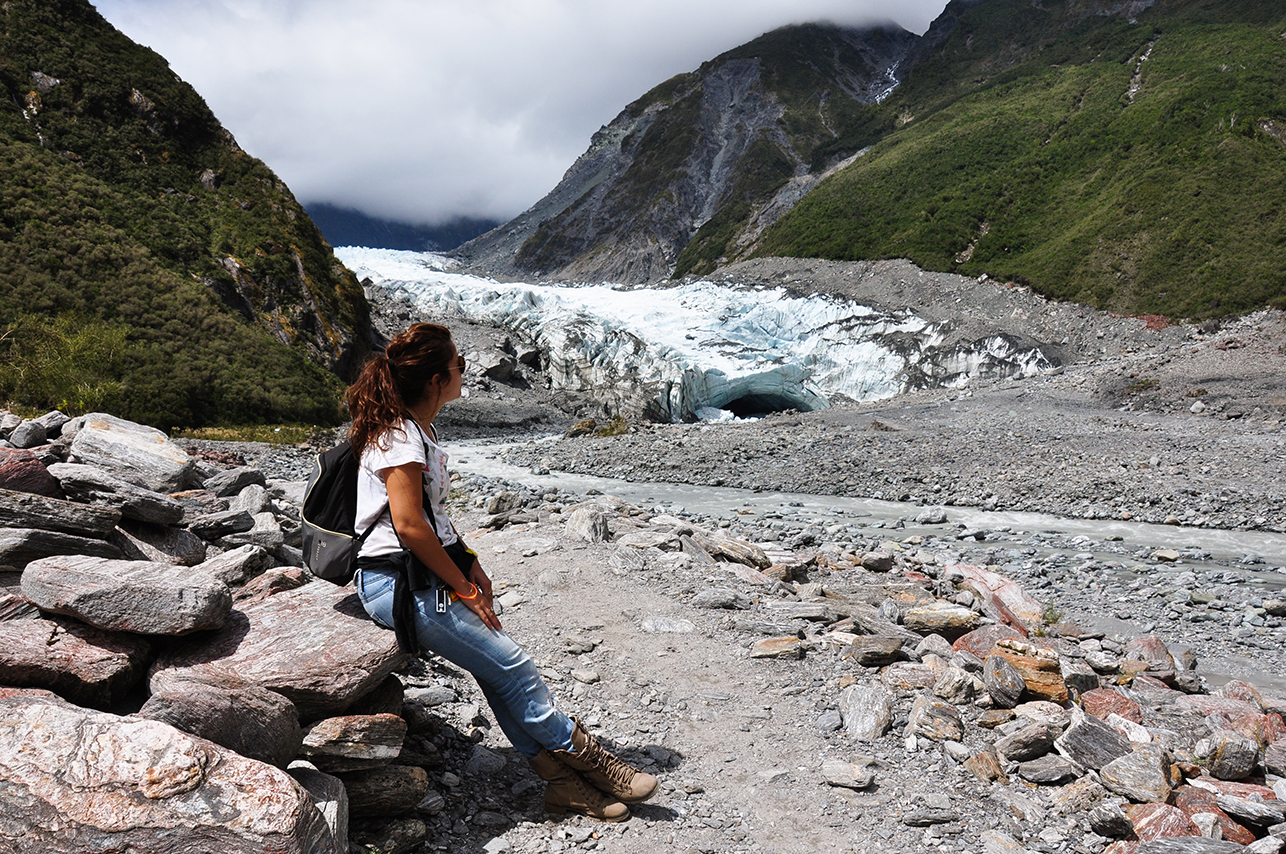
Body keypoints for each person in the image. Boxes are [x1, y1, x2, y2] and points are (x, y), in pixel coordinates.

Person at [344, 322, 656, 822]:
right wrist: (463, 587)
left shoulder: (417, 429)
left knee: (494, 667)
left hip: (425, 582)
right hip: (398, 586)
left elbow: (435, 519)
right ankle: (593, 762)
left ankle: (561, 786)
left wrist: (472, 567)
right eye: (458, 366)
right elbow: (409, 525)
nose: (463, 373)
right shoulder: (399, 436)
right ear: (435, 380)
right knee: (512, 664)